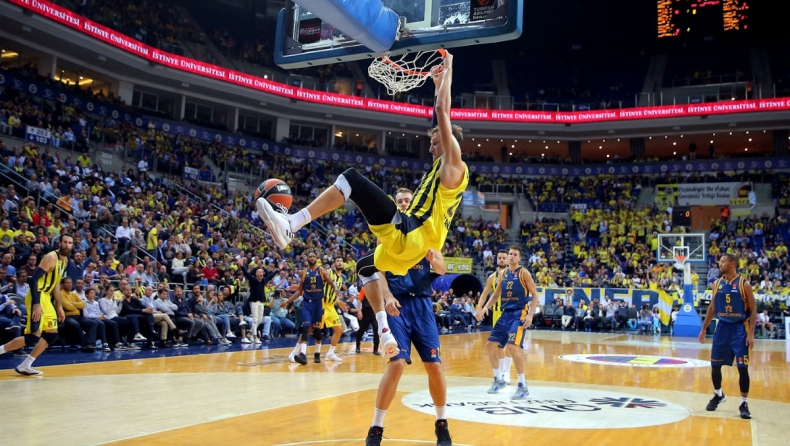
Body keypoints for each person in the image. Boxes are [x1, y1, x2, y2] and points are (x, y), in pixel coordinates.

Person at [258, 51, 467, 359]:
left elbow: (443, 112)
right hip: (405, 251)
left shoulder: (453, 167)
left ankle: (292, 224)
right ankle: (384, 331)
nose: (432, 145)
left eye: (436, 141)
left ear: (450, 144)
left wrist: (446, 71)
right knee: (366, 266)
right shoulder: (437, 173)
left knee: (352, 179)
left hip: (413, 237)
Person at [365, 187, 452, 446]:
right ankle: (376, 427)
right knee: (397, 364)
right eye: (400, 201)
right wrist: (387, 296)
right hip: (397, 305)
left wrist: (433, 259)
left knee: (435, 366)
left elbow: (442, 268)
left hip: (423, 305)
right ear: (395, 204)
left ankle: (442, 424)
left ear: (414, 204)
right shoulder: (387, 233)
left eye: (407, 200)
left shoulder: (427, 231)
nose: (403, 203)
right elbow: (376, 269)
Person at [0, 233, 72, 376]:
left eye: (70, 243)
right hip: (36, 295)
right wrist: (36, 304)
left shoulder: (65, 261)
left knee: (52, 335)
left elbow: (56, 284)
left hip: (47, 297)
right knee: (33, 337)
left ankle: (25, 365)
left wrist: (59, 306)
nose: (67, 245)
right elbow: (33, 280)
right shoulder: (51, 257)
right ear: (60, 243)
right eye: (65, 242)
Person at [476, 246, 539, 400]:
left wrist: (530, 315)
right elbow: (496, 294)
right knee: (490, 345)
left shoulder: (524, 273)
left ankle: (523, 385)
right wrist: (485, 308)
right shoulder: (503, 274)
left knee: (511, 347)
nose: (511, 256)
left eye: (514, 255)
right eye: (510, 254)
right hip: (505, 314)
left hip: (519, 313)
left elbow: (535, 294)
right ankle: (499, 379)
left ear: (519, 258)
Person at [698, 253, 757, 420]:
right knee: (715, 366)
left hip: (739, 329)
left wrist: (751, 334)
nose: (719, 264)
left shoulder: (743, 284)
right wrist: (703, 329)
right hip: (721, 328)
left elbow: (753, 311)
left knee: (742, 368)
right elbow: (712, 308)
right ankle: (718, 394)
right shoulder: (716, 284)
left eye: (723, 262)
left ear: (732, 264)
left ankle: (743, 403)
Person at [281, 250, 339, 365]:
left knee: (317, 330)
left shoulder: (321, 270)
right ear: (307, 259)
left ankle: (317, 353)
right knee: (306, 327)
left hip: (318, 303)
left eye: (313, 256)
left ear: (316, 258)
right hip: (307, 303)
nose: (312, 258)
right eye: (310, 256)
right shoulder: (304, 273)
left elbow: (331, 282)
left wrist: (335, 288)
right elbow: (299, 291)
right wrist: (287, 302)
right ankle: (303, 354)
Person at [476, 249, 513, 383]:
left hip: (511, 313)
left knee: (510, 344)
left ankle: (507, 372)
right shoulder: (492, 277)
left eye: (504, 258)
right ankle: (502, 372)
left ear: (508, 259)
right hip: (497, 315)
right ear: (496, 260)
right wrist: (479, 308)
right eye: (500, 258)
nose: (502, 260)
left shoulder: (513, 275)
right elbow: (485, 293)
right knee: (498, 346)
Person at [319, 257, 348, 362]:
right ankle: (296, 351)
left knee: (339, 330)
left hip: (330, 306)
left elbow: (333, 295)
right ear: (334, 264)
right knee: (311, 329)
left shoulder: (340, 278)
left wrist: (339, 302)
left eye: (341, 261)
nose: (340, 263)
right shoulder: (329, 273)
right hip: (322, 304)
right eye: (337, 261)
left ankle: (330, 353)